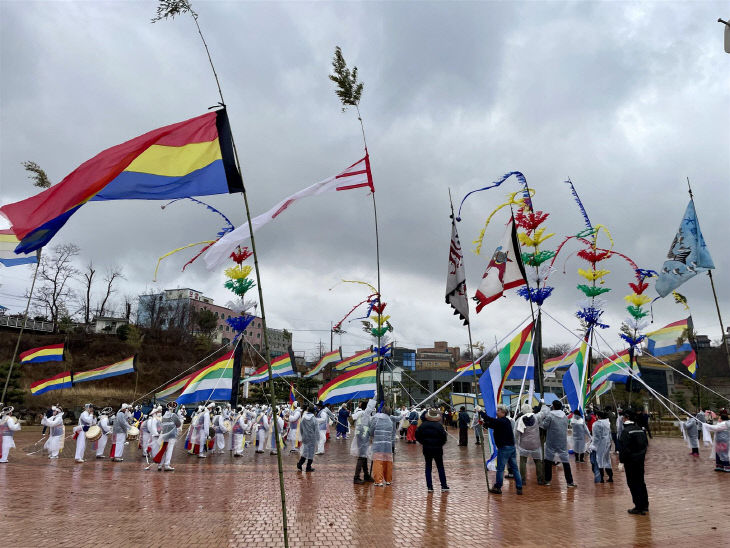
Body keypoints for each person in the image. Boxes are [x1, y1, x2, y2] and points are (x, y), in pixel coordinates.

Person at [479, 404, 522, 495]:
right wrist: (484, 424)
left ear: (503, 412)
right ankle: (519, 487)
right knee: (515, 468)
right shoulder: (505, 421)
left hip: (504, 448)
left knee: (500, 469)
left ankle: (498, 487)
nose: (496, 411)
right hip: (511, 448)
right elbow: (493, 425)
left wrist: (480, 412)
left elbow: (490, 420)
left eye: (498, 410)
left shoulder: (502, 421)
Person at [539, 400, 577, 488]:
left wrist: (540, 421)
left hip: (551, 441)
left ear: (553, 406)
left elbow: (545, 426)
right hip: (562, 441)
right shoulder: (565, 416)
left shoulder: (550, 415)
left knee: (548, 461)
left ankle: (547, 480)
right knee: (565, 462)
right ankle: (569, 482)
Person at [619, 408, 649, 515]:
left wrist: (621, 461)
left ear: (626, 418)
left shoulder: (626, 431)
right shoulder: (639, 429)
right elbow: (645, 444)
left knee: (632, 483)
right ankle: (645, 505)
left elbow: (624, 448)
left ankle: (638, 506)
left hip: (630, 462)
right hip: (640, 461)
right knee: (641, 482)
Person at [415, 407, 449, 492]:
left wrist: (423, 442)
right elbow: (444, 437)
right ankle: (444, 486)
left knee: (428, 466)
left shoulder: (423, 425)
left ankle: (430, 487)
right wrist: (440, 444)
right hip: (438, 448)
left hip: (427, 448)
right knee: (440, 466)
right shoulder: (439, 426)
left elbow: (417, 436)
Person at [369, 406, 399, 486]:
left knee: (378, 462)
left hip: (378, 444)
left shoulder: (376, 419)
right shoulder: (390, 420)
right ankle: (388, 480)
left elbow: (371, 431)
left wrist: (371, 435)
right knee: (387, 462)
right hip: (388, 444)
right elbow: (392, 432)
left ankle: (378, 480)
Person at [515, 403, 544, 485]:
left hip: (524, 444)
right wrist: (542, 404)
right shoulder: (536, 417)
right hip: (535, 443)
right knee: (538, 461)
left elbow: (516, 433)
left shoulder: (519, 420)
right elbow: (543, 413)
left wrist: (516, 443)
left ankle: (523, 479)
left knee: (523, 461)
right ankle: (540, 479)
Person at [351, 399, 376, 484]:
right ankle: (356, 477)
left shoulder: (363, 414)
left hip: (361, 436)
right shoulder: (364, 414)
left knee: (364, 455)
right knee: (361, 456)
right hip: (363, 437)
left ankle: (366, 475)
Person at [153, 401, 183, 471]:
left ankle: (160, 465)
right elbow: (178, 424)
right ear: (174, 408)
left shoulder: (164, 416)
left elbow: (162, 425)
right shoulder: (174, 415)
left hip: (164, 435)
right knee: (169, 450)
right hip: (171, 435)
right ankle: (167, 464)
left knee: (163, 449)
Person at [590, 410, 613, 483]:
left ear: (598, 416)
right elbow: (610, 434)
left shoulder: (597, 424)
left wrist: (592, 446)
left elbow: (596, 437)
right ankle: (610, 477)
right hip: (607, 443)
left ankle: (601, 478)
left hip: (600, 445)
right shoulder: (607, 423)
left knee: (599, 460)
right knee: (607, 460)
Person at [297, 405, 320, 472]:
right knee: (311, 453)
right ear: (314, 412)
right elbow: (317, 430)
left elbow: (301, 428)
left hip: (305, 437)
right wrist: (318, 439)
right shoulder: (314, 419)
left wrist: (302, 435)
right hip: (312, 438)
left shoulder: (303, 418)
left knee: (305, 451)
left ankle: (300, 463)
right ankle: (308, 466)